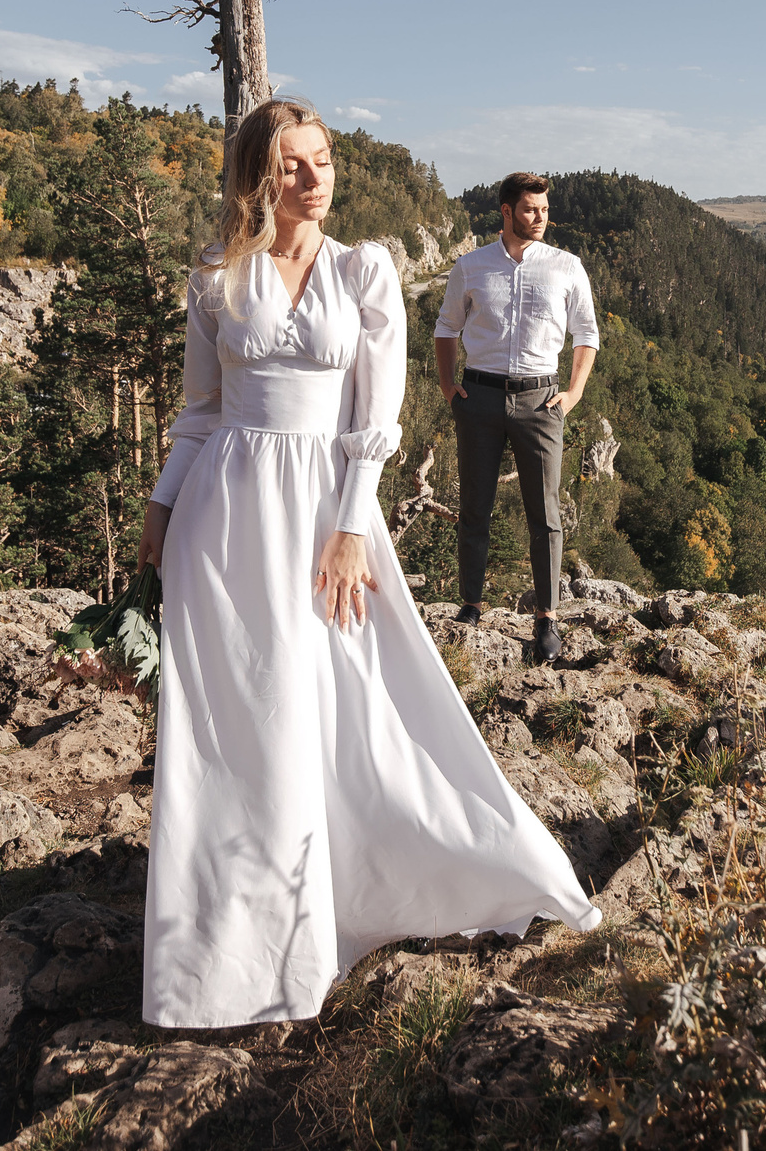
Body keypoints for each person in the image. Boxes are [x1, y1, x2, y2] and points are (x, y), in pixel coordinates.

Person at [135, 99, 602, 1028]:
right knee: (236, 722)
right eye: (296, 166)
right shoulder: (216, 278)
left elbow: (374, 423)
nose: (318, 178)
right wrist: (159, 505)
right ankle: (226, 950)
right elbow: (200, 412)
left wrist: (353, 526)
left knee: (354, 702)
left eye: (326, 159)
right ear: (258, 179)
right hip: (224, 515)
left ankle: (384, 884)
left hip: (324, 514)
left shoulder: (365, 271)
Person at [432, 172, 599, 663]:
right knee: (474, 508)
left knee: (545, 515)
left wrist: (572, 394)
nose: (541, 217)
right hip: (479, 397)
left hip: (541, 403)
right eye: (530, 209)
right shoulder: (471, 266)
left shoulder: (567, 267)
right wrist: (448, 386)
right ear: (505, 212)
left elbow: (586, 334)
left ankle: (546, 620)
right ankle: (470, 606)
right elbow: (446, 328)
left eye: (544, 209)